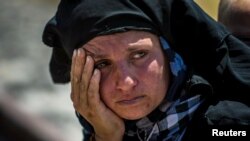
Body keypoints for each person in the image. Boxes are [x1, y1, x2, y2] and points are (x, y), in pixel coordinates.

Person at [42, 0, 250, 140]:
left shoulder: (228, 124)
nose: (125, 83)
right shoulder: (109, 123)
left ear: (169, 49)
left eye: (139, 54)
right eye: (101, 64)